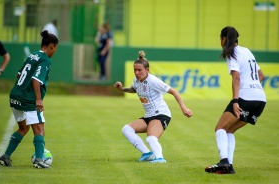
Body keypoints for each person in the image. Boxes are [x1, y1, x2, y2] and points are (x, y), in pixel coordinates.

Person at [205, 26, 266, 174]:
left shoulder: (233, 53)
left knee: (220, 128)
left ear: (224, 39)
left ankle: (224, 161)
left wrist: (235, 101)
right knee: (229, 130)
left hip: (245, 98)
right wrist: (254, 88)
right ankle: (228, 166)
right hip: (260, 99)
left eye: (221, 39)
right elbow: (261, 76)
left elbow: (236, 78)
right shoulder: (247, 51)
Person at [114, 51, 193, 163]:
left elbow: (173, 91)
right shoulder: (136, 80)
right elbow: (134, 89)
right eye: (135, 70)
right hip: (149, 115)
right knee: (126, 129)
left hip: (161, 114)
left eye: (139, 70)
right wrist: (122, 89)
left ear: (147, 70)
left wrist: (184, 108)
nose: (136, 73)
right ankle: (147, 153)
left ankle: (160, 158)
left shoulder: (153, 81)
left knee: (151, 138)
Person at [0, 30, 59, 169]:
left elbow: (19, 75)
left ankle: (5, 157)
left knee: (23, 128)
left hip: (15, 95)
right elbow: (36, 79)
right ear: (52, 46)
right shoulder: (45, 60)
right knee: (39, 129)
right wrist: (38, 99)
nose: (55, 51)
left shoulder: (32, 55)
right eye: (56, 48)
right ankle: (39, 159)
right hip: (28, 99)